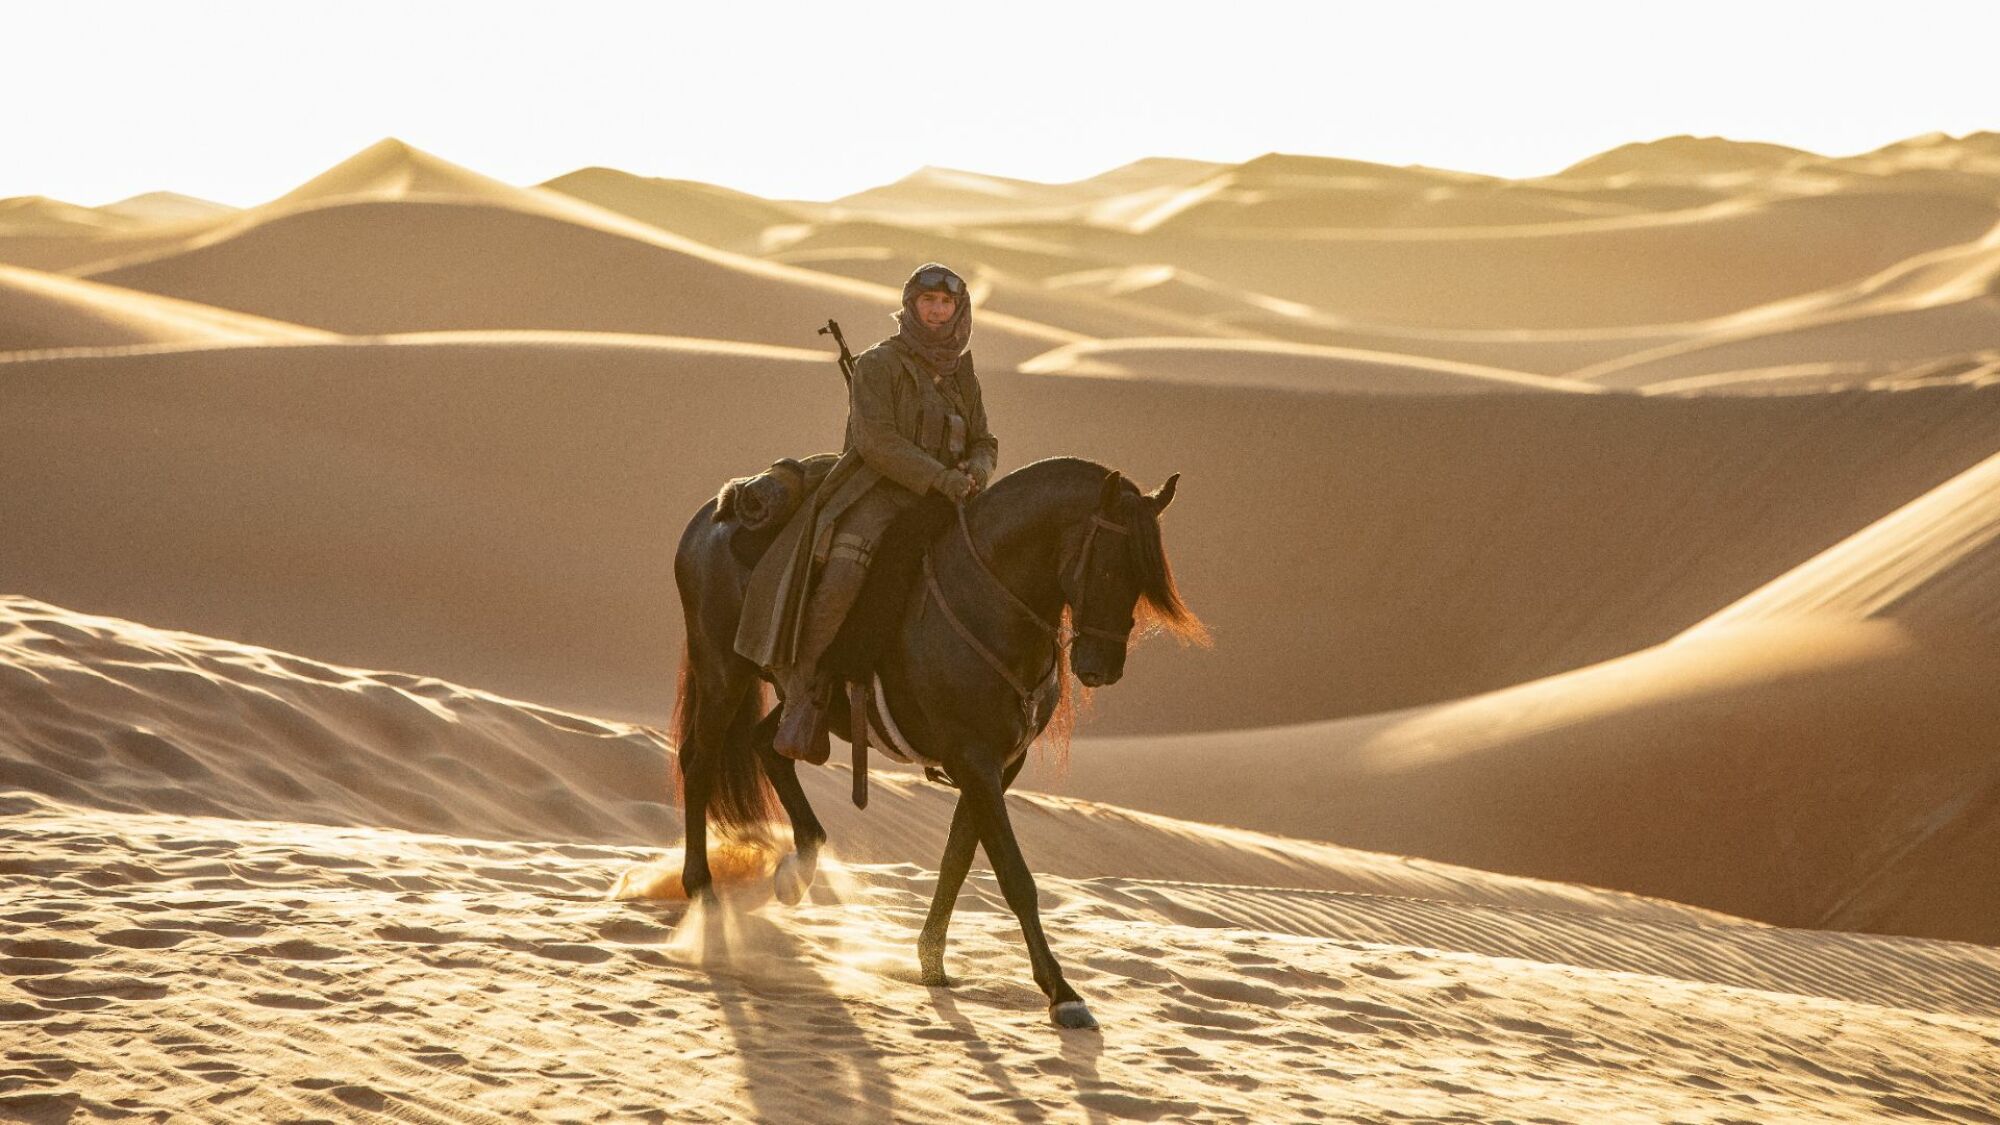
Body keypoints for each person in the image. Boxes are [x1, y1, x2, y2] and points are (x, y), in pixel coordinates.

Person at [769, 262, 998, 759]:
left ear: (958, 309)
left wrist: (978, 470)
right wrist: (937, 477)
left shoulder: (961, 368)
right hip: (878, 490)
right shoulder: (879, 364)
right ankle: (802, 694)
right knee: (847, 571)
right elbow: (876, 442)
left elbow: (983, 437)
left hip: (952, 495)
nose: (937, 312)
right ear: (910, 305)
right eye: (927, 302)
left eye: (946, 304)